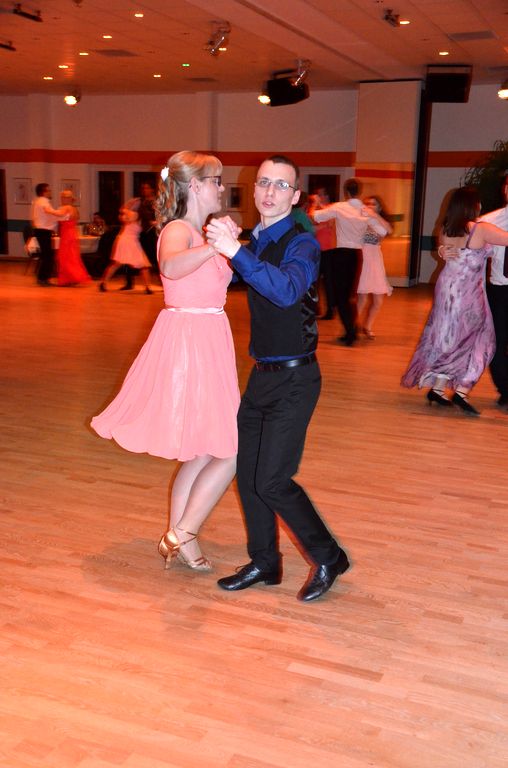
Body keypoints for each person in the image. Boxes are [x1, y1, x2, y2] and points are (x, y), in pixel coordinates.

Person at [206, 154, 349, 603]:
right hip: (260, 377)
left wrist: (235, 252)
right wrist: (221, 246)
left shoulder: (302, 243)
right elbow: (235, 279)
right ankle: (265, 562)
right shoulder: (254, 240)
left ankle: (329, 556)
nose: (270, 192)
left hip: (296, 379)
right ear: (253, 190)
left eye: (281, 185)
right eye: (264, 183)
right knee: (249, 476)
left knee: (272, 480)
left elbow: (286, 290)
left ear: (296, 195)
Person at [91, 150, 240, 571]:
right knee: (229, 447)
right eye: (215, 180)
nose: (221, 188)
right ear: (195, 185)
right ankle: (183, 533)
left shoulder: (200, 230)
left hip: (210, 337)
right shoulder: (178, 229)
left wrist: (226, 243)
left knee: (204, 448)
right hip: (191, 341)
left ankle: (180, 537)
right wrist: (215, 246)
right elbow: (172, 267)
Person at [401, 186, 508, 415]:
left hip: (446, 288)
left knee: (448, 337)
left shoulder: (446, 228)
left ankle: (438, 390)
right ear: (473, 205)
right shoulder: (480, 228)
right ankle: (462, 391)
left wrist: (441, 249)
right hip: (467, 292)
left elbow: (443, 247)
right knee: (483, 339)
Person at [313, 178, 388, 345]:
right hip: (357, 255)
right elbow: (382, 231)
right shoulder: (364, 210)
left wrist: (316, 203)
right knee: (347, 295)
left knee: (341, 296)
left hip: (341, 254)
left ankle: (350, 332)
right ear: (359, 192)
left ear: (346, 192)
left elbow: (316, 216)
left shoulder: (340, 207)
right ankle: (350, 330)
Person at [480, 173, 508, 412]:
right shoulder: (488, 220)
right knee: (496, 344)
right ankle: (505, 389)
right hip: (500, 290)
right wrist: (443, 249)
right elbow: (461, 240)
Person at [98, 199, 153, 294]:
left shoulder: (140, 217)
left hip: (130, 241)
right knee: (140, 264)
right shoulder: (134, 214)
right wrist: (128, 208)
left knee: (120, 263)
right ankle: (148, 287)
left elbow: (125, 214)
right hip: (127, 241)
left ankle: (103, 283)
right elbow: (125, 213)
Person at [357, 195, 393, 339]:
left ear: (379, 207)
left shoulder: (379, 221)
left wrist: (374, 215)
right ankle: (353, 326)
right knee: (362, 297)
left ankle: (368, 326)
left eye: (373, 204)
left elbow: (389, 230)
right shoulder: (361, 219)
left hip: (375, 260)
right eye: (367, 203)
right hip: (362, 259)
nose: (370, 206)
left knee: (378, 300)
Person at [308, 188, 336, 320]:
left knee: (328, 282)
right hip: (315, 250)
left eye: (320, 195)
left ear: (326, 196)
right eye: (317, 195)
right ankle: (316, 308)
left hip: (328, 250)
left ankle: (330, 310)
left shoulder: (331, 208)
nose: (317, 197)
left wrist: (318, 226)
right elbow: (310, 222)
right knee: (314, 281)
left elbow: (330, 222)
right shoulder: (315, 210)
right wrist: (315, 205)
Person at [54, 190, 91, 287]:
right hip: (71, 233)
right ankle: (71, 278)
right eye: (62, 197)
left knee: (66, 256)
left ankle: (69, 278)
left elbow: (59, 215)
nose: (62, 199)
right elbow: (74, 218)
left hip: (67, 234)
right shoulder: (73, 208)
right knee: (71, 256)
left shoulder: (66, 207)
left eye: (64, 197)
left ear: (69, 198)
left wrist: (48, 211)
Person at [31, 183, 62, 286]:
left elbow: (50, 215)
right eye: (48, 190)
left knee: (48, 255)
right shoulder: (43, 202)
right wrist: (64, 214)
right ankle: (42, 278)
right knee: (48, 256)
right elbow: (50, 212)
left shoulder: (39, 201)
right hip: (43, 231)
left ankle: (44, 278)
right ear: (43, 192)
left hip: (42, 230)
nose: (50, 192)